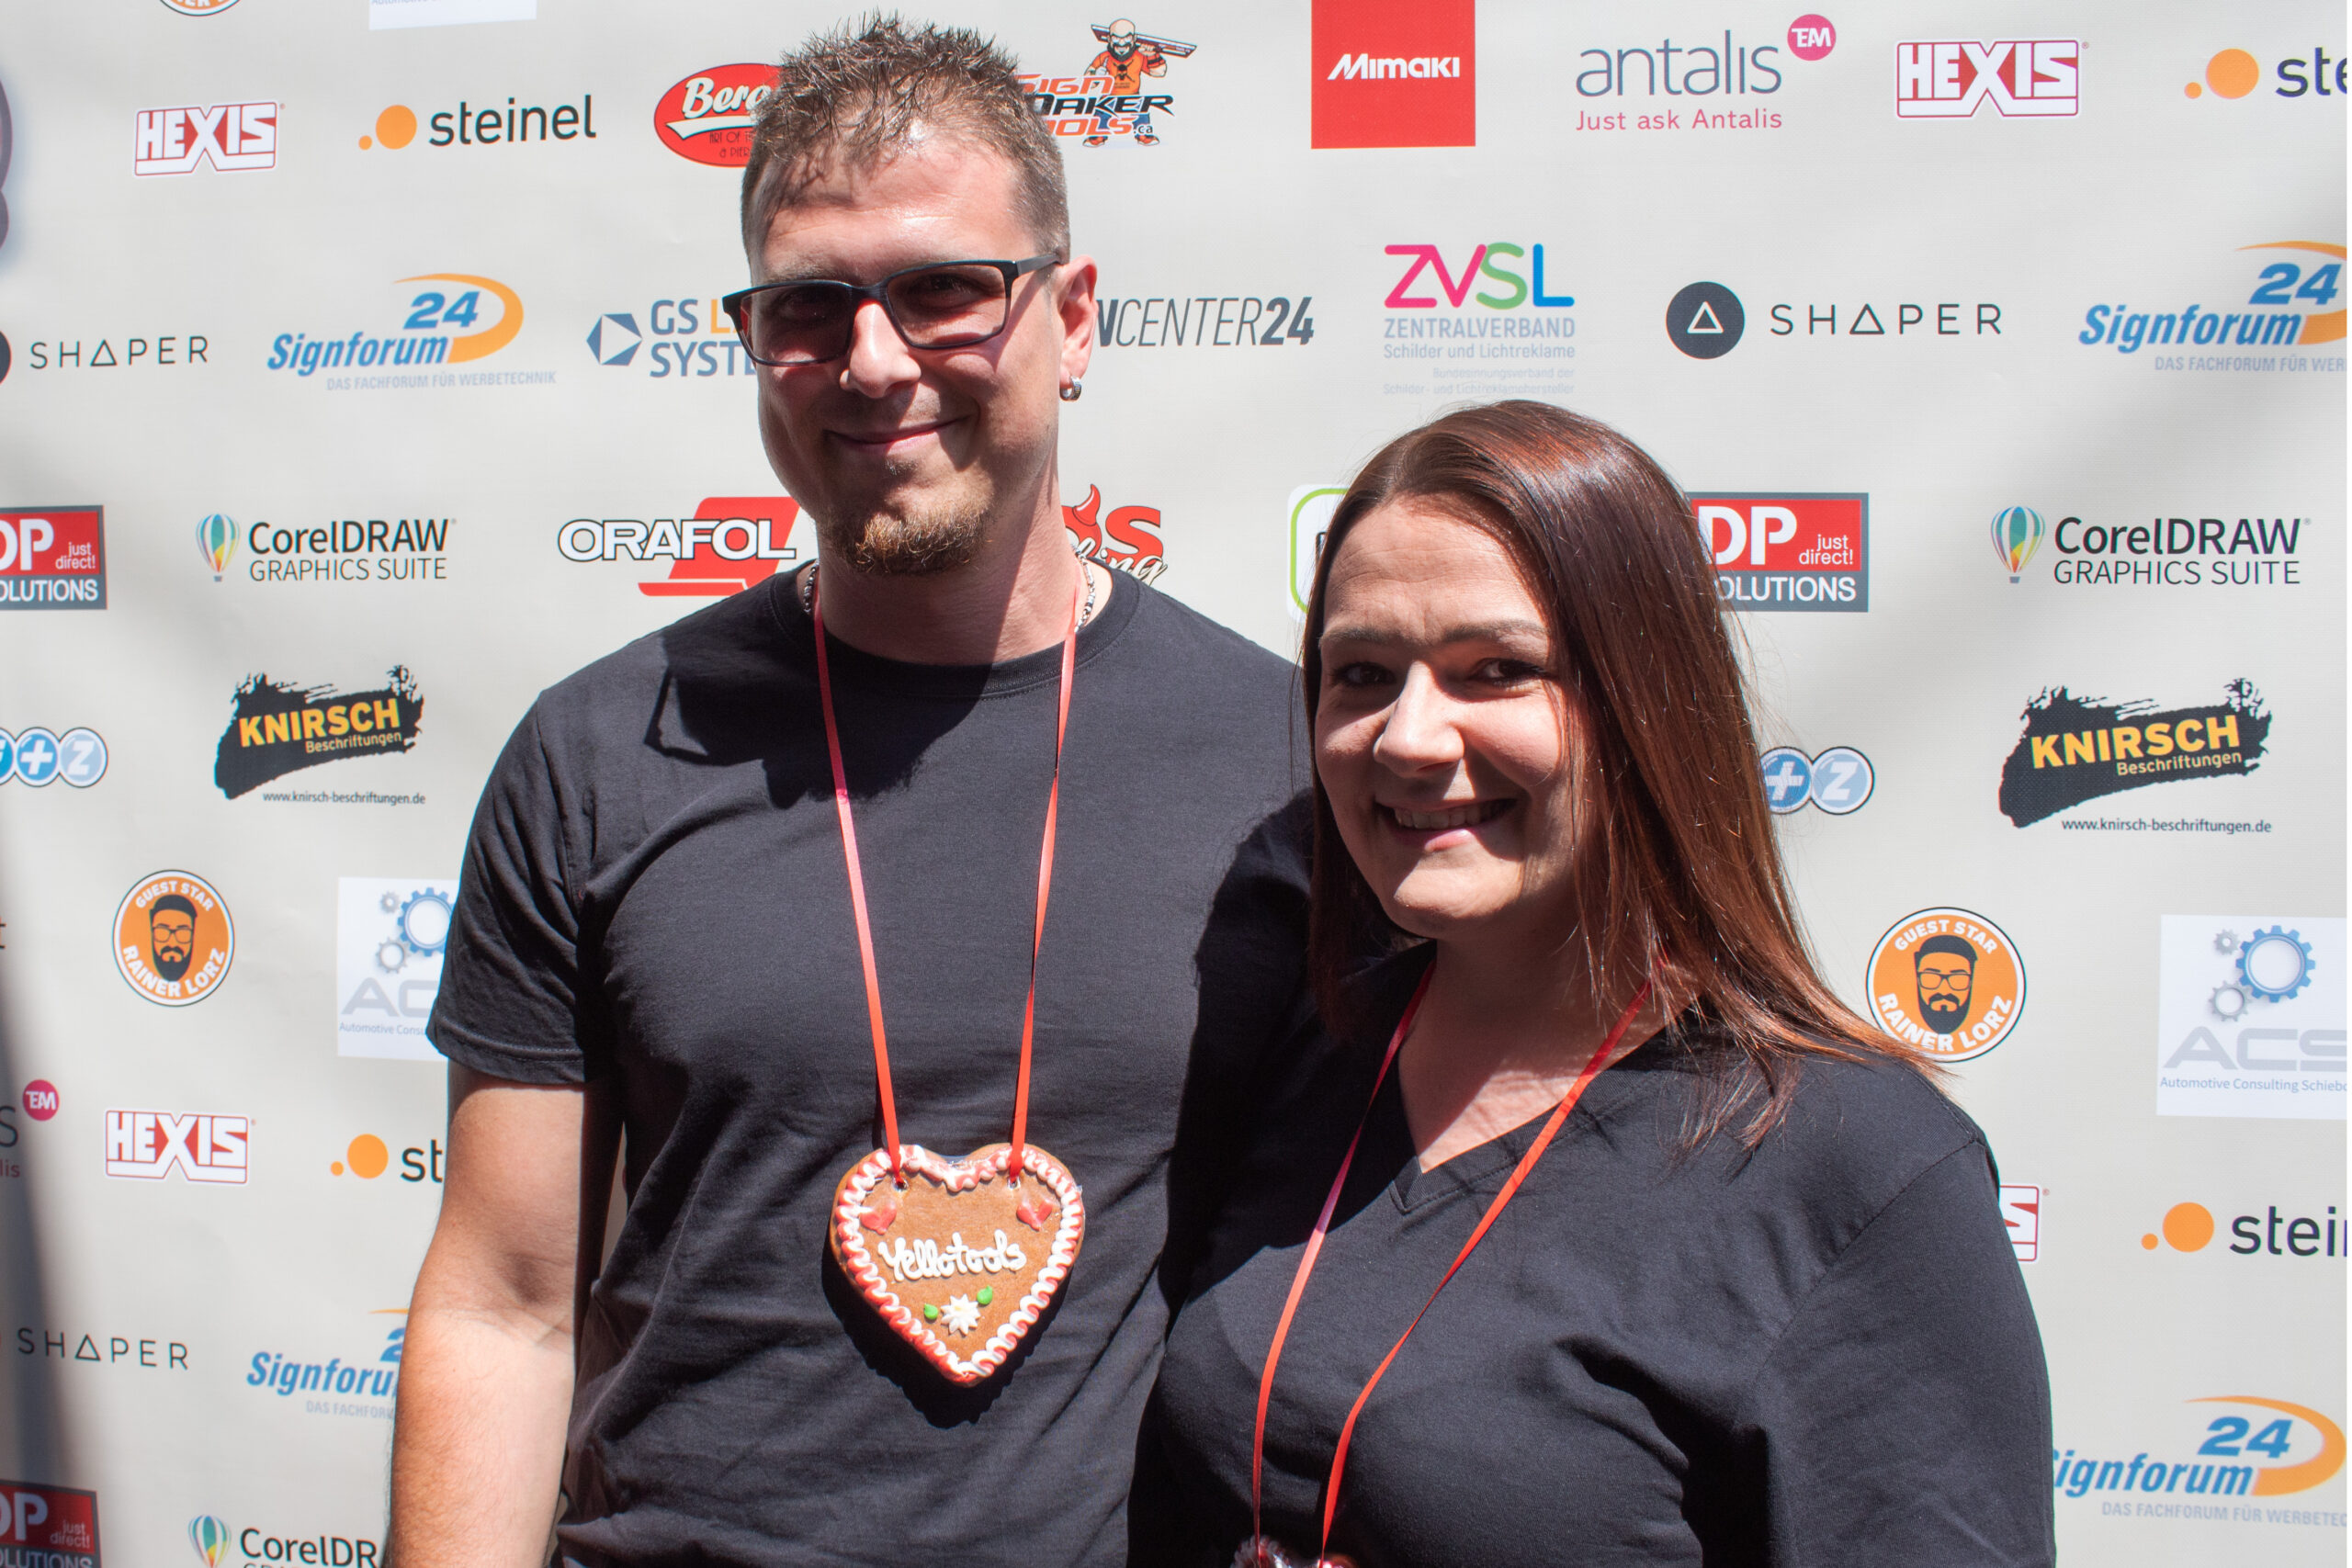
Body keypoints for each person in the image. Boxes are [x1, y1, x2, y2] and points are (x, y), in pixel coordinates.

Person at [389, 19, 1307, 1567]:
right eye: (810, 307)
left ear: (1074, 318)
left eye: (947, 289)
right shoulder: (601, 751)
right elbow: (505, 1302)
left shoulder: (1281, 755)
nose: (876, 363)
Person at [1134, 402, 2054, 1567]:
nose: (1407, 737)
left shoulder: (1852, 1170)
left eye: (1496, 671)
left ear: (1646, 702)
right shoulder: (1310, 1052)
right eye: (1360, 673)